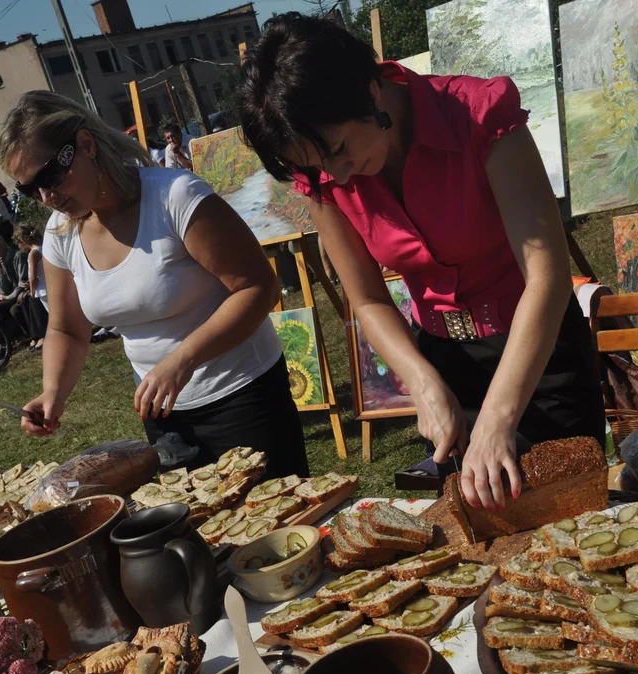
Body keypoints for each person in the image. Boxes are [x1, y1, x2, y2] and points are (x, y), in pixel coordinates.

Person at [239, 14, 604, 511]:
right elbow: (366, 298)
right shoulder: (323, 173)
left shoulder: (478, 115)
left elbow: (548, 275)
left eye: (340, 149)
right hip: (446, 361)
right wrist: (424, 383)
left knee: (569, 523)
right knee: (483, 545)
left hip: (537, 357)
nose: (338, 176)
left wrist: (497, 419)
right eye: (317, 166)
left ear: (370, 93)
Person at [0, 90, 307, 479]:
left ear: (86, 144)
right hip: (163, 414)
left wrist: (182, 360)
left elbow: (258, 288)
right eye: (28, 189)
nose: (46, 196)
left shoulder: (174, 196)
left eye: (50, 176)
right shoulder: (60, 233)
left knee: (274, 529)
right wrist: (52, 393)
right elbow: (67, 328)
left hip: (242, 396)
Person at [14, 223, 49, 349]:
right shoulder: (45, 247)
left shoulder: (33, 253)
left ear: (24, 239)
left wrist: (32, 290)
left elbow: (33, 276)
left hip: (43, 290)